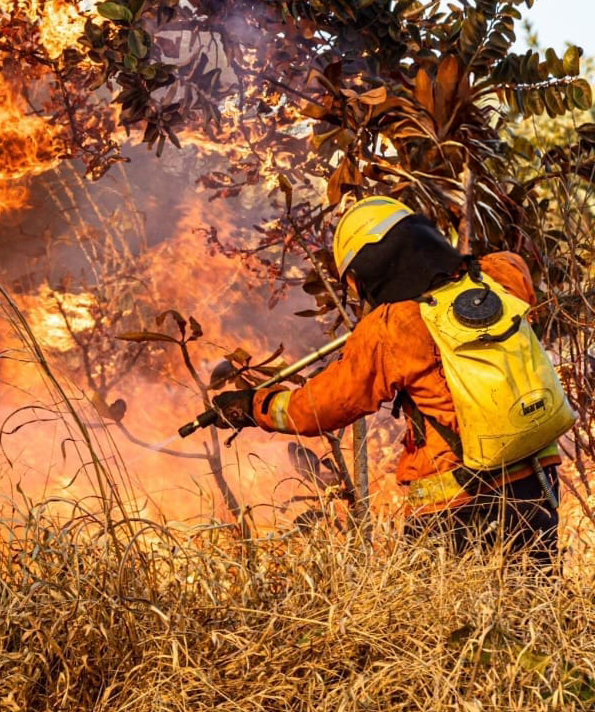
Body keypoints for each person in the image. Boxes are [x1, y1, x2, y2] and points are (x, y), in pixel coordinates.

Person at [212, 196, 566, 567]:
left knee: (439, 621)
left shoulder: (391, 327)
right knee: (532, 604)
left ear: (370, 267)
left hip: (456, 505)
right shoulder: (498, 275)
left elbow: (319, 409)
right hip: (538, 484)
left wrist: (255, 406)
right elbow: (514, 265)